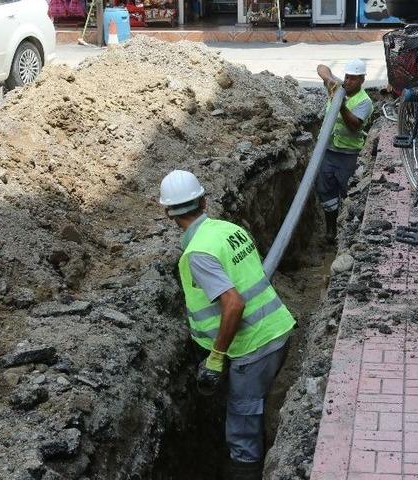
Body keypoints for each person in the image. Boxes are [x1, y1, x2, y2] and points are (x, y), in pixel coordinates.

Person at [158, 169, 296, 480]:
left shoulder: (198, 254)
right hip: (276, 329)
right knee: (254, 407)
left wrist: (216, 358)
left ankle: (246, 471)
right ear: (204, 201)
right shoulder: (227, 230)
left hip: (252, 348)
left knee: (242, 426)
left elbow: (234, 303)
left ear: (167, 212)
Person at [315, 58, 374, 243]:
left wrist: (341, 107)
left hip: (348, 156)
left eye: (353, 79)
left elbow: (355, 125)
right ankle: (330, 231)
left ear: (362, 80)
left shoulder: (364, 101)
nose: (348, 82)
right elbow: (321, 67)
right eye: (347, 77)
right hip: (327, 151)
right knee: (326, 191)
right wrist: (330, 80)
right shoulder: (338, 88)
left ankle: (346, 235)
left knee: (347, 192)